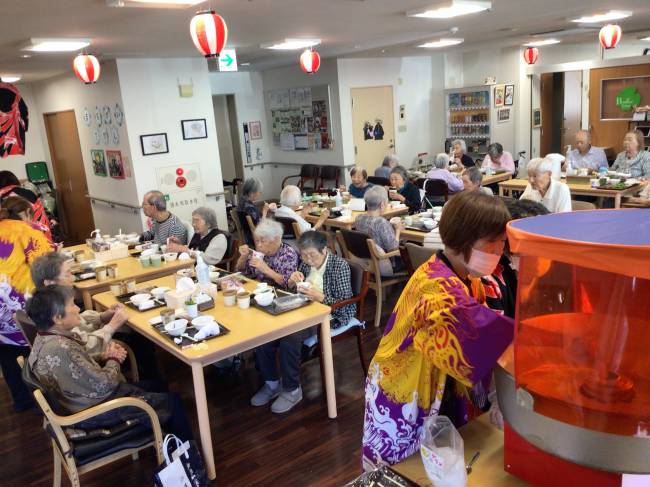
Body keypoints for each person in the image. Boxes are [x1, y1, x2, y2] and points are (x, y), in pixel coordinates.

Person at [361, 191, 514, 471]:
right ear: (464, 238)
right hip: (404, 389)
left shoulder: (464, 276)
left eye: (502, 242)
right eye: (492, 242)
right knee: (406, 470)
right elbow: (483, 339)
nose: (499, 251)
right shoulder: (438, 289)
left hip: (434, 383)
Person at [26, 285, 193, 441]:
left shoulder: (45, 338)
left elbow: (78, 369)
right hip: (91, 412)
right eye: (72, 305)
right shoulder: (61, 348)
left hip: (79, 401)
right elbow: (106, 384)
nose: (77, 309)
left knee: (159, 385)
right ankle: (186, 457)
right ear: (57, 318)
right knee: (173, 403)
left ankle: (163, 439)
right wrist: (114, 360)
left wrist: (103, 357)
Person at [0, 202, 53, 411]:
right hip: (21, 301)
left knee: (6, 353)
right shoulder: (26, 230)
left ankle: (21, 400)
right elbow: (44, 265)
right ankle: (45, 398)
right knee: (34, 347)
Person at [30, 252, 128, 355]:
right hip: (92, 356)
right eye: (67, 274)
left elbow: (78, 321)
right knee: (131, 336)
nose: (73, 278)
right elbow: (86, 348)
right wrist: (113, 325)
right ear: (50, 283)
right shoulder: (53, 310)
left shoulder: (44, 302)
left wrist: (101, 317)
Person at [288, 231, 356, 331]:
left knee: (292, 332)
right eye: (304, 255)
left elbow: (344, 306)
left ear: (324, 250)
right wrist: (292, 282)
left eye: (312, 255)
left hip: (331, 314)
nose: (308, 260)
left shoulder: (339, 266)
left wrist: (321, 297)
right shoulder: (305, 263)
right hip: (306, 307)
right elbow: (295, 289)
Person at [354, 186, 404, 276]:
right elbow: (394, 248)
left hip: (364, 264)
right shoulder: (381, 223)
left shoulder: (358, 218)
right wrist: (398, 230)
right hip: (383, 265)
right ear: (382, 204)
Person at [236, 218, 299, 288]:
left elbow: (289, 285)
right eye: (257, 241)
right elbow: (242, 272)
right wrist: (243, 257)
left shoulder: (288, 255)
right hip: (258, 288)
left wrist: (266, 270)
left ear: (276, 240)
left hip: (276, 291)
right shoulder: (260, 252)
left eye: (263, 241)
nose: (259, 245)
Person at [0, 170, 53, 242]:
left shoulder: (2, 197)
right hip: (40, 236)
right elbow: (41, 212)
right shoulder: (28, 192)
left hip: (10, 241)